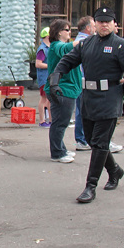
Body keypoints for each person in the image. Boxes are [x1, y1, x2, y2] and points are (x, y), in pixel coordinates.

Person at [50, 7, 124, 203]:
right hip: (89, 98)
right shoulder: (86, 44)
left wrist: (123, 92)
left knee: (100, 143)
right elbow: (67, 61)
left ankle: (90, 186)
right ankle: (114, 170)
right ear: (95, 24)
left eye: (108, 21)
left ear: (115, 24)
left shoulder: (121, 46)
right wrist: (55, 78)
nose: (104, 25)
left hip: (110, 98)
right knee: (93, 141)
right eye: (100, 21)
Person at [44, 19, 81, 163]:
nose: (70, 32)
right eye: (67, 29)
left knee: (61, 122)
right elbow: (65, 49)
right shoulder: (56, 46)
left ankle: (61, 149)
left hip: (67, 89)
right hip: (62, 89)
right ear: (59, 32)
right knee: (60, 123)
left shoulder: (61, 46)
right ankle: (57, 153)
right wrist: (85, 42)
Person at [74, 16, 95, 151]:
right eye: (94, 25)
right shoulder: (85, 42)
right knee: (84, 111)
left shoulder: (81, 41)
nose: (95, 28)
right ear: (88, 28)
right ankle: (82, 139)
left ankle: (82, 139)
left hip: (81, 80)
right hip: (84, 81)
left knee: (81, 110)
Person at [35, 27, 51, 127]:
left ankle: (49, 120)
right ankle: (42, 121)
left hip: (48, 77)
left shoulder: (48, 48)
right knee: (44, 99)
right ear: (48, 36)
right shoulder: (42, 49)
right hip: (44, 78)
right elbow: (38, 64)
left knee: (49, 100)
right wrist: (51, 66)